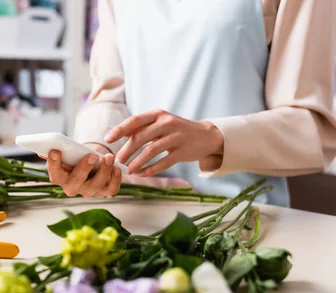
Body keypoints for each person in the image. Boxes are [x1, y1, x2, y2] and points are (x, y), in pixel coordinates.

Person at [46, 0, 336, 206]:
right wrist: (95, 152)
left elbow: (312, 129)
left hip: (240, 221)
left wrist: (214, 137)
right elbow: (110, 94)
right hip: (134, 212)